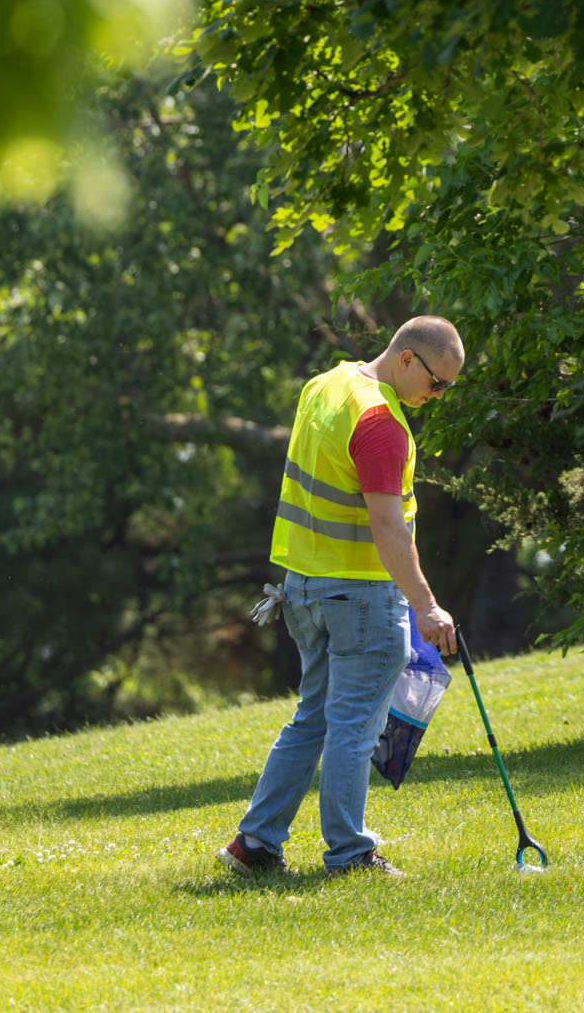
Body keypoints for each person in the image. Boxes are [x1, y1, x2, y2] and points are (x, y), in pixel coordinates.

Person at [217, 316, 464, 878]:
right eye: (437, 382)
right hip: (360, 595)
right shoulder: (382, 423)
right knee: (354, 726)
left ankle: (256, 844)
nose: (439, 395)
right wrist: (426, 606)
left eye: (448, 386)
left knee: (314, 719)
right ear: (406, 359)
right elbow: (388, 528)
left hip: (304, 586)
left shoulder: (327, 384)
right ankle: (350, 854)